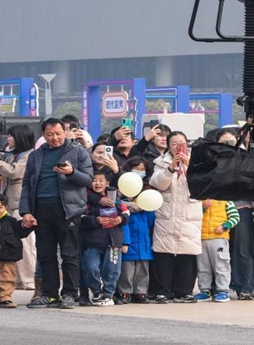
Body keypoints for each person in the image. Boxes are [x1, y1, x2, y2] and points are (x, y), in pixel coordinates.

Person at [21, 118, 93, 309]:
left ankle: (69, 293)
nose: (55, 138)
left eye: (58, 133)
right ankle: (50, 294)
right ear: (43, 135)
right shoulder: (35, 155)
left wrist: (71, 172)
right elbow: (27, 184)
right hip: (41, 209)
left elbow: (88, 179)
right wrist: (26, 211)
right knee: (45, 254)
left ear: (65, 132)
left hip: (68, 210)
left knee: (70, 254)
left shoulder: (78, 151)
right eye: (50, 134)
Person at [149, 130, 202, 304]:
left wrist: (190, 167)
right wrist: (171, 167)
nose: (178, 147)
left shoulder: (198, 161)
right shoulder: (160, 162)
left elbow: (202, 185)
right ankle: (162, 291)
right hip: (167, 213)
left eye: (182, 143)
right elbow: (158, 184)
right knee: (164, 254)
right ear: (169, 146)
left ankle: (184, 291)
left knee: (187, 254)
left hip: (189, 215)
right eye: (174, 144)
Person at [0, 124, 37, 290]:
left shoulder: (29, 156)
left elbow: (14, 172)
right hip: (10, 204)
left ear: (20, 137)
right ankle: (18, 279)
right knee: (14, 242)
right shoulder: (12, 154)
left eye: (10, 136)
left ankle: (29, 278)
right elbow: (0, 160)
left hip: (21, 204)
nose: (8, 139)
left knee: (26, 243)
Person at [217, 129, 254, 301]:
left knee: (242, 250)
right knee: (217, 251)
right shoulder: (212, 160)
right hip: (217, 211)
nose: (227, 145)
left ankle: (245, 287)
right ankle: (217, 287)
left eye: (231, 142)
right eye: (223, 142)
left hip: (242, 209)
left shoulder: (247, 160)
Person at [81, 171, 128, 306]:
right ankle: (96, 291)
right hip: (93, 242)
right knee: (89, 267)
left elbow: (126, 215)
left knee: (112, 270)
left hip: (113, 242)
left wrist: (120, 219)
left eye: (101, 180)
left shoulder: (116, 200)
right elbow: (82, 219)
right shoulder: (87, 201)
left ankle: (108, 295)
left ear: (107, 183)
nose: (97, 183)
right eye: (94, 180)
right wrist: (96, 220)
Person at [117, 156, 155, 304]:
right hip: (128, 239)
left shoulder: (147, 193)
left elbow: (151, 220)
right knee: (127, 269)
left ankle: (140, 292)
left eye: (142, 170)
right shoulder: (121, 196)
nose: (139, 172)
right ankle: (124, 292)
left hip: (143, 240)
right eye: (136, 169)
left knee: (142, 269)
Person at [195, 199, 239, 303]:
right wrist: (203, 207)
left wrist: (225, 226)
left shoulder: (226, 200)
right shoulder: (200, 200)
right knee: (203, 267)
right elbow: (194, 215)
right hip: (201, 238)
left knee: (221, 265)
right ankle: (205, 291)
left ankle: (223, 290)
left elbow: (235, 217)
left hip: (219, 238)